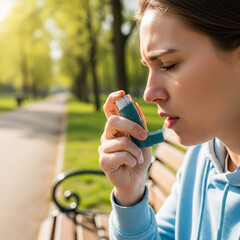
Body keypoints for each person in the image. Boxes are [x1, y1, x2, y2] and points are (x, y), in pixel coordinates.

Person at [98, 0, 240, 239]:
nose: (149, 93)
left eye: (168, 65)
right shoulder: (202, 158)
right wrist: (130, 193)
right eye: (149, 68)